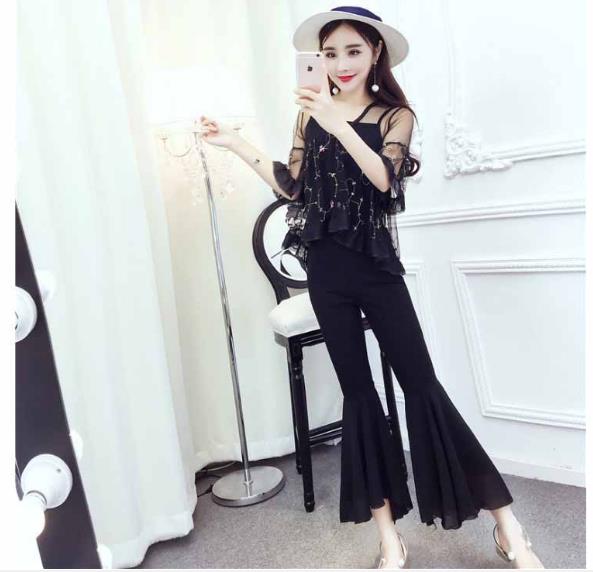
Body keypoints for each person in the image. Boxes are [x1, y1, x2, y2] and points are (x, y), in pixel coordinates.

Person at [199, 6, 545, 569]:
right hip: (327, 273)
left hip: (377, 270)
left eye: (353, 51)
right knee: (359, 397)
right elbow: (293, 188)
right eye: (329, 53)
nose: (341, 63)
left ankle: (507, 523)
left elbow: (384, 180)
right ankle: (388, 539)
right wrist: (236, 143)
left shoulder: (395, 116)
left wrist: (337, 122)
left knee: (421, 386)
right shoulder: (309, 116)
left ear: (375, 53)